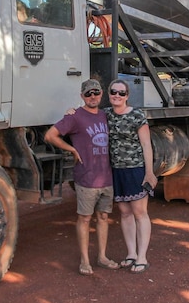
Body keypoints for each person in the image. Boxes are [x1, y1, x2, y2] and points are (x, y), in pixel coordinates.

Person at [44, 79, 119, 275]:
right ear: (82, 96)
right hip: (87, 178)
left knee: (103, 217)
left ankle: (102, 257)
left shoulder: (106, 115)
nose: (92, 96)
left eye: (96, 92)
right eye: (88, 93)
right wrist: (72, 149)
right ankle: (85, 261)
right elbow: (50, 135)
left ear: (101, 93)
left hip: (106, 177)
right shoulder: (75, 116)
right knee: (85, 218)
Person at [105, 78, 158, 274]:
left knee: (139, 213)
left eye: (121, 93)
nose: (116, 96)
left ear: (127, 96)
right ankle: (131, 254)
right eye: (113, 92)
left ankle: (142, 256)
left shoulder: (137, 115)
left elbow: (146, 145)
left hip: (135, 169)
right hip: (117, 170)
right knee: (125, 213)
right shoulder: (107, 114)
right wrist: (71, 111)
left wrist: (149, 172)